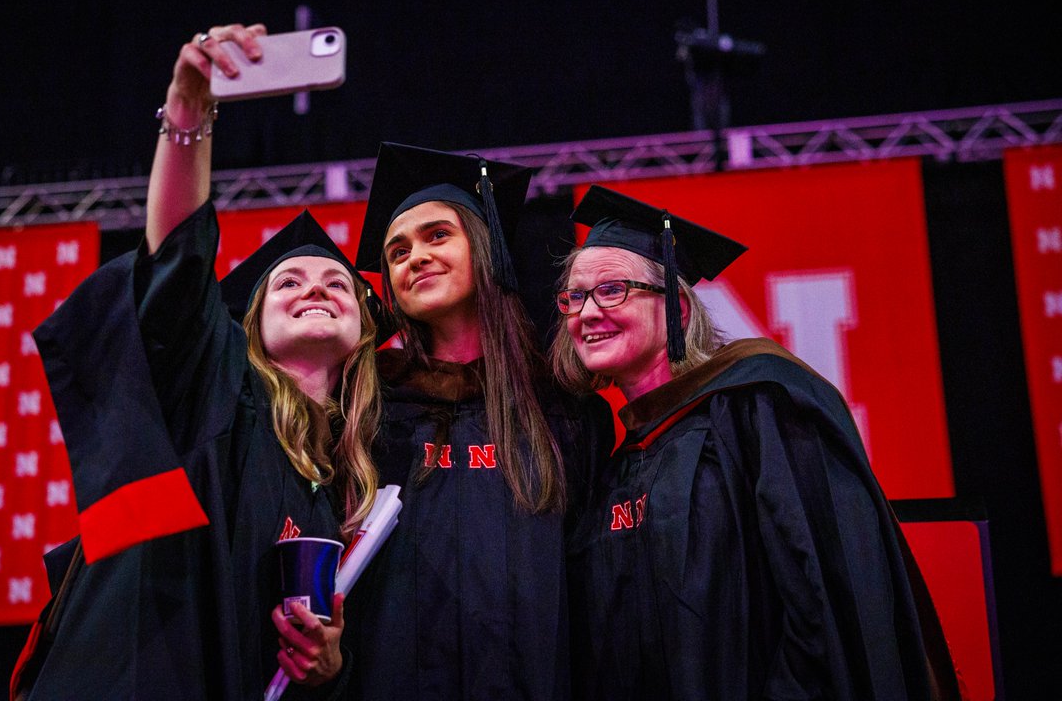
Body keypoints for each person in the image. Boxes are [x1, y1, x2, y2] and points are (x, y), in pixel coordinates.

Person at [10, 23, 384, 700]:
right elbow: (178, 265)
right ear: (247, 326)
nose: (315, 289)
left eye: (335, 283)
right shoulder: (214, 385)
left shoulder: (343, 489)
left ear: (362, 332)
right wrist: (188, 113)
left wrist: (328, 668)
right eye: (289, 284)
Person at [549, 184, 961, 700]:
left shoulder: (757, 406)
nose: (587, 313)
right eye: (574, 297)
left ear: (677, 311)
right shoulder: (617, 466)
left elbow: (821, 601)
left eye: (612, 290)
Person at [342, 142, 614, 700]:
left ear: (485, 248)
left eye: (437, 235)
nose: (414, 257)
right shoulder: (368, 408)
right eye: (396, 252)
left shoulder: (561, 410)